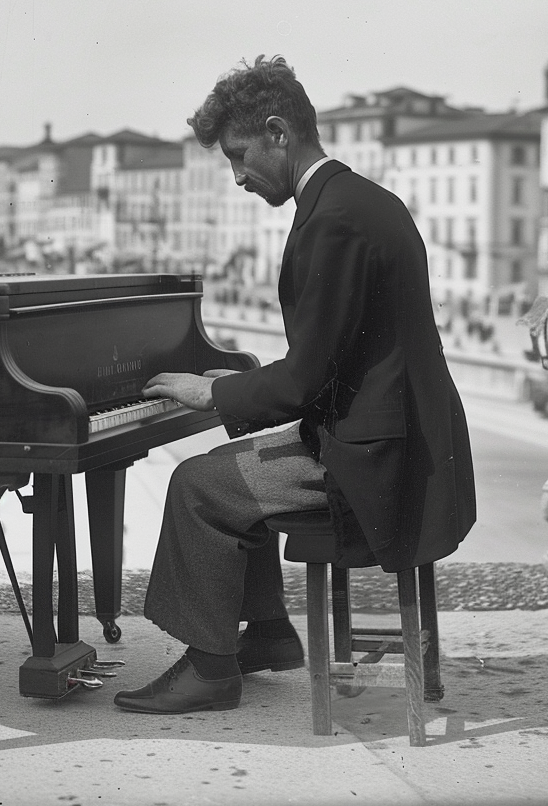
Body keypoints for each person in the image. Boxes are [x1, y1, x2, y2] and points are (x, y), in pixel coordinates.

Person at [113, 55, 475, 715]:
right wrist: (242, 381)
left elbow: (308, 379)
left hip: (377, 461)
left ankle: (212, 667)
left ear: (280, 132)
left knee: (197, 486)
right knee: (229, 466)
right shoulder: (360, 200)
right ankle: (270, 634)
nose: (237, 176)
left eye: (239, 155)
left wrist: (209, 393)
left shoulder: (332, 219)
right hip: (406, 440)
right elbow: (333, 357)